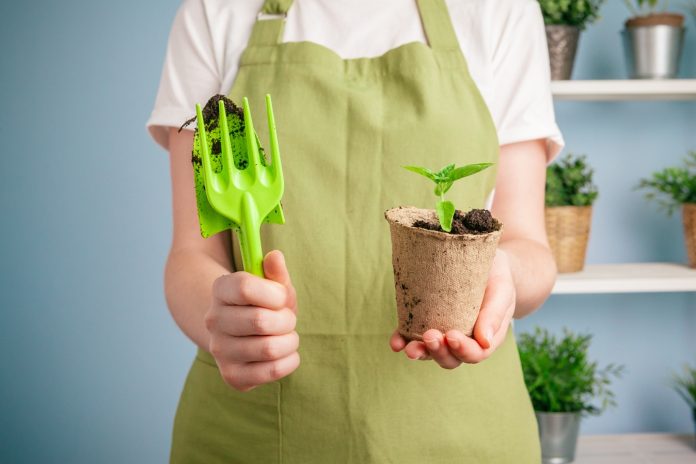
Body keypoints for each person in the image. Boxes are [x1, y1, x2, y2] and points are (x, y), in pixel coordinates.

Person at [146, 0, 564, 462]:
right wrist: (224, 319)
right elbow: (190, 254)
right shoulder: (215, 9)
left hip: (461, 430)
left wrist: (501, 270)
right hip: (256, 431)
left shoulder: (498, 9)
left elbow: (530, 247)